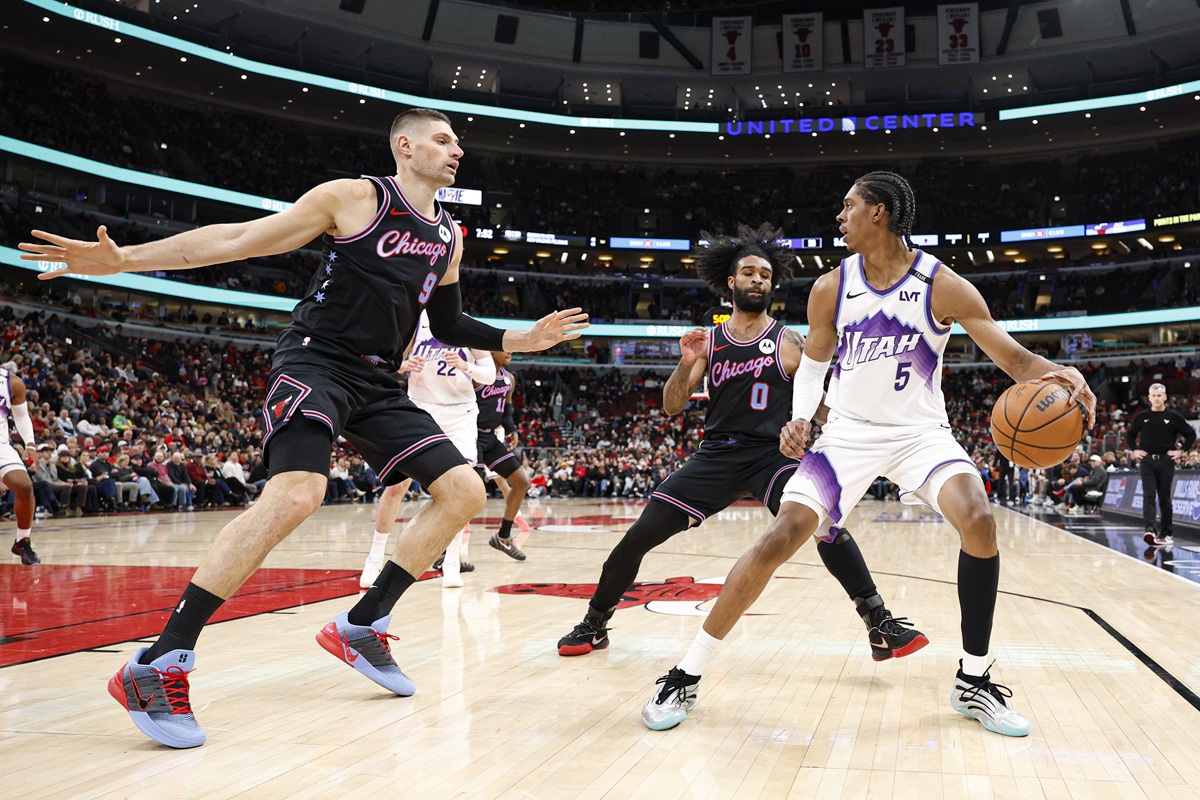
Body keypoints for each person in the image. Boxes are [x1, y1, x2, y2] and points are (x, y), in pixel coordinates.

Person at [21, 107, 587, 749]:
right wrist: (123, 260)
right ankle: (158, 662)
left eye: (458, 141)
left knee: (464, 492)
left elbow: (452, 322)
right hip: (316, 361)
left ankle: (363, 622)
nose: (457, 148)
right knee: (297, 493)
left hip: (377, 383)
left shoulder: (450, 236)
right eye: (442, 138)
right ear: (404, 145)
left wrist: (524, 336)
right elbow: (239, 239)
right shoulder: (355, 198)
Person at [641, 172, 1096, 738]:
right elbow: (812, 363)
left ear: (878, 213)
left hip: (919, 434)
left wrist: (1061, 372)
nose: (840, 217)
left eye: (848, 206)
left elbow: (1015, 360)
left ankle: (974, 680)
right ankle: (686, 673)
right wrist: (802, 418)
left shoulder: (942, 285)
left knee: (979, 520)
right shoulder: (830, 287)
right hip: (847, 436)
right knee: (779, 537)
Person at [558, 224, 927, 667]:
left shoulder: (789, 342)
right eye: (748, 273)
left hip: (773, 456)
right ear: (731, 283)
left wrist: (826, 428)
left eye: (765, 275)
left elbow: (823, 405)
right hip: (716, 455)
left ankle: (879, 622)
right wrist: (685, 363)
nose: (757, 280)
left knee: (824, 523)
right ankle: (596, 621)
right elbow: (672, 406)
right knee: (637, 537)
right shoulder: (709, 342)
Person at [360, 310, 496, 590]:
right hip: (420, 408)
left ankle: (452, 560)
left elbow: (491, 376)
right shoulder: (413, 321)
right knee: (396, 487)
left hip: (459, 413)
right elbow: (384, 362)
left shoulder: (466, 325)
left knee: (462, 489)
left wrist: (465, 366)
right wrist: (404, 365)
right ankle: (374, 557)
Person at [476, 350, 531, 560]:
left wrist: (512, 430)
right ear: (489, 351)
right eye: (504, 348)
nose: (510, 352)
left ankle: (503, 537)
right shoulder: (477, 375)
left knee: (521, 482)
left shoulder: (509, 378)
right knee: (471, 495)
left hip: (490, 437)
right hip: (471, 435)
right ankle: (444, 551)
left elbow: (506, 411)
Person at [1127, 382, 1196, 546]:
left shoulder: (1173, 416)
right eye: (1154, 396)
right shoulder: (1142, 417)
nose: (1157, 398)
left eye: (1160, 395)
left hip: (1166, 461)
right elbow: (1130, 435)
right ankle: (1150, 529)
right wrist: (1134, 450)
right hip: (1147, 461)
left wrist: (1181, 451)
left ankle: (1167, 533)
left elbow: (1191, 434)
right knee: (1148, 494)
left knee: (1164, 497)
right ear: (1149, 398)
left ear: (1165, 397)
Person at [1, 364, 39, 564]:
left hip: (1, 445)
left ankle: (22, 541)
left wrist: (30, 444)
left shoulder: (12, 382)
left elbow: (22, 415)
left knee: (24, 486)